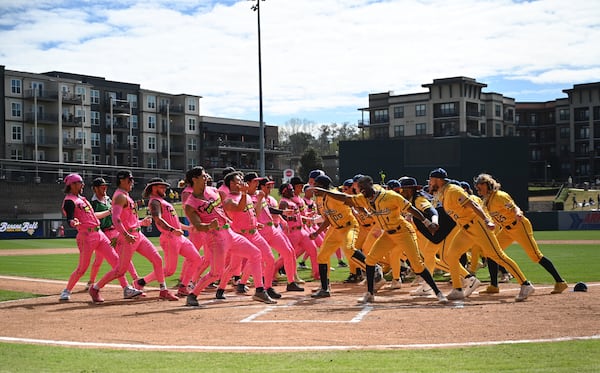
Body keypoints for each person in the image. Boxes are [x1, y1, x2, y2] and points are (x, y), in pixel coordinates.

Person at [314, 175, 448, 304]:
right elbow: (346, 199)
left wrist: (426, 222)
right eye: (360, 189)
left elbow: (411, 209)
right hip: (387, 234)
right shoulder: (364, 198)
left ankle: (438, 293)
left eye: (364, 188)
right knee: (370, 260)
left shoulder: (390, 196)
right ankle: (370, 294)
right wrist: (326, 191)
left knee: (417, 265)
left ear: (370, 186)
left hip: (403, 231)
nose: (361, 191)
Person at [428, 168, 535, 302]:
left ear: (438, 180)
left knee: (497, 255)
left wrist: (487, 220)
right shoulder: (443, 193)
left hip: (477, 225)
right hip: (465, 228)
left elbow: (473, 205)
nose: (430, 183)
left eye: (431, 180)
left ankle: (525, 284)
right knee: (451, 255)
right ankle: (457, 289)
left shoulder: (453, 190)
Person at [183, 166, 276, 306]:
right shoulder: (190, 204)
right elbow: (197, 225)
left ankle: (259, 291)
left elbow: (233, 208)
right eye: (203, 176)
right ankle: (193, 295)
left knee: (255, 254)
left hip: (229, 232)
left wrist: (243, 195)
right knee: (216, 273)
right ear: (194, 179)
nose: (206, 177)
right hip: (215, 238)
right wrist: (208, 226)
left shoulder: (213, 191)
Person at [89, 170, 178, 302]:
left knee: (157, 260)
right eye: (129, 180)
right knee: (120, 270)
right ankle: (95, 288)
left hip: (138, 234)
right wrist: (125, 234)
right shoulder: (120, 196)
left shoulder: (126, 196)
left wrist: (141, 223)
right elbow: (116, 218)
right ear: (122, 180)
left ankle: (163, 290)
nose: (132, 182)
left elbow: (128, 219)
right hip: (128, 237)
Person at [474, 173, 568, 294]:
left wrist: (518, 213)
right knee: (492, 252)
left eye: (479, 185)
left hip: (519, 226)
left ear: (487, 184)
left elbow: (514, 208)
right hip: (506, 230)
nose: (477, 187)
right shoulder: (487, 201)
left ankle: (560, 282)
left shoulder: (500, 196)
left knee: (535, 256)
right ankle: (494, 286)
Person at [59, 173, 142, 302]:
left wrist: (109, 212)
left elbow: (94, 216)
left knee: (116, 261)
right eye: (80, 182)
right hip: (86, 236)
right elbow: (69, 217)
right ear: (72, 184)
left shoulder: (82, 199)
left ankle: (126, 288)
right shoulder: (70, 200)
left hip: (99, 234)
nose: (83, 185)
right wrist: (72, 222)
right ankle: (66, 290)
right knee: (82, 268)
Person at [222, 171, 280, 300]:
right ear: (231, 183)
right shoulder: (228, 199)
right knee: (234, 266)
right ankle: (221, 289)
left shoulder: (247, 196)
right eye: (239, 179)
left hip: (254, 233)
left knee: (269, 258)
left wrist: (255, 223)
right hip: (240, 236)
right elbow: (238, 208)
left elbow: (254, 213)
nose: (242, 181)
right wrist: (244, 193)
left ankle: (267, 288)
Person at [143, 177, 205, 297]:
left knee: (196, 259)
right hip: (169, 237)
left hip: (178, 237)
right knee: (169, 271)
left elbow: (175, 222)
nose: (165, 188)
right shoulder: (155, 201)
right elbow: (157, 219)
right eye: (161, 186)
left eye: (165, 186)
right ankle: (141, 282)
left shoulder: (163, 201)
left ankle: (183, 287)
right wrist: (172, 230)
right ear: (154, 188)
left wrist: (187, 228)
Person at [247, 174, 304, 292]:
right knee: (258, 258)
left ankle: (291, 282)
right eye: (255, 182)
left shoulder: (261, 196)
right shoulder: (248, 197)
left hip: (272, 228)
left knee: (289, 252)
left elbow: (269, 210)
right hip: (260, 231)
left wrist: (282, 218)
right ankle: (243, 282)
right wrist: (282, 212)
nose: (269, 188)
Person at [87, 177, 140, 290]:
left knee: (123, 257)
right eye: (102, 186)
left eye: (105, 186)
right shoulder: (94, 202)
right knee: (98, 261)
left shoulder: (109, 200)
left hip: (115, 231)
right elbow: (93, 215)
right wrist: (108, 212)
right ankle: (91, 282)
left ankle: (135, 279)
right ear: (95, 189)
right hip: (103, 233)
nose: (105, 188)